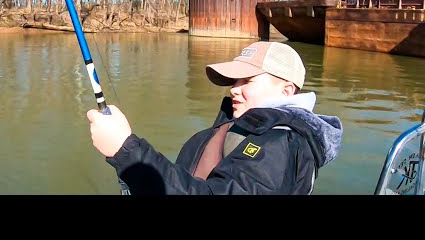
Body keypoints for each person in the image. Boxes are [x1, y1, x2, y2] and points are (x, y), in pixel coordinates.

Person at [86, 41, 343, 195]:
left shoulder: (279, 145)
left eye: (247, 80)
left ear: (286, 90)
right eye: (234, 80)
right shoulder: (239, 125)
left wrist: (126, 150)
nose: (233, 88)